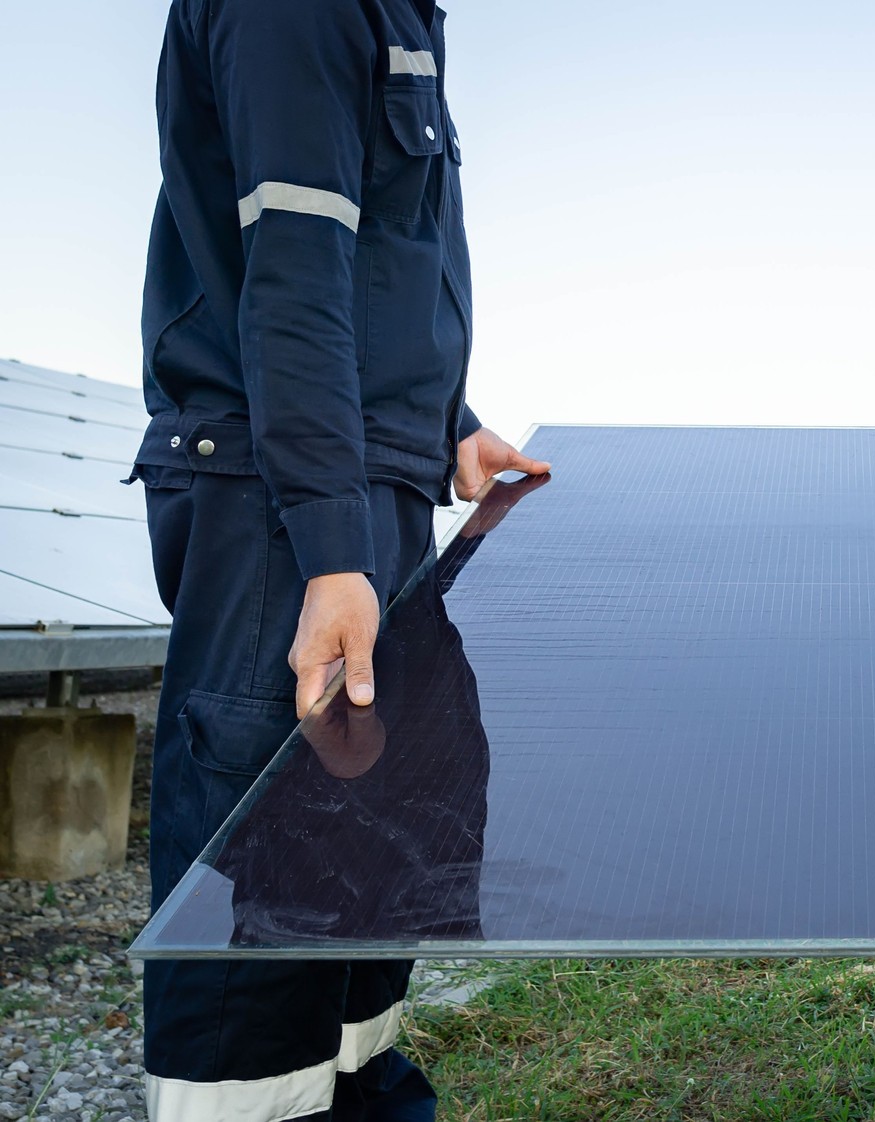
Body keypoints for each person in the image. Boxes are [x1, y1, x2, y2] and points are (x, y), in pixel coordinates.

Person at [130, 1, 548, 1117]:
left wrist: (445, 425)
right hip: (286, 515)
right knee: (268, 913)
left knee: (365, 892)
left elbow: (376, 270)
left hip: (360, 492)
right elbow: (296, 265)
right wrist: (329, 547)